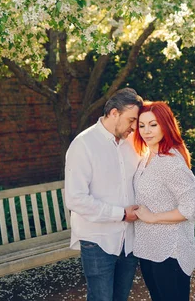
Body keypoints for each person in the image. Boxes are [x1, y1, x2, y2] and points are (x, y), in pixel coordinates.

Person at [64, 88, 144, 301]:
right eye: (131, 120)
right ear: (114, 113)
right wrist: (121, 214)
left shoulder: (131, 143)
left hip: (128, 240)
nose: (134, 127)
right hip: (98, 241)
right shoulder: (83, 145)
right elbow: (75, 198)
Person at [132, 101, 195, 301]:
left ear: (166, 125)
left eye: (153, 124)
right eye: (142, 125)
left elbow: (192, 209)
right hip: (148, 247)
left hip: (170, 251)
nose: (147, 131)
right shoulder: (146, 156)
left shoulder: (170, 162)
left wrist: (152, 217)